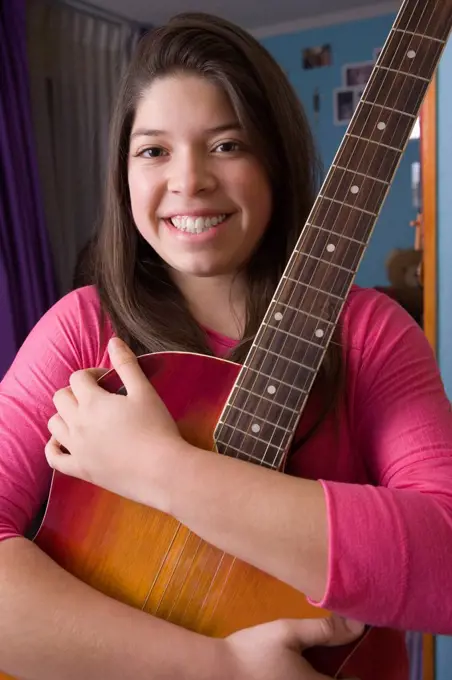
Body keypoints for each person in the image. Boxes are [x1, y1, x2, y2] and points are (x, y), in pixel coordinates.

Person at [0, 11, 451, 680]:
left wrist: (162, 469)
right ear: (123, 175)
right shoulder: (81, 330)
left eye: (227, 145)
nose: (190, 182)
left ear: (274, 157)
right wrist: (219, 666)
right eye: (154, 150)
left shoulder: (369, 333)